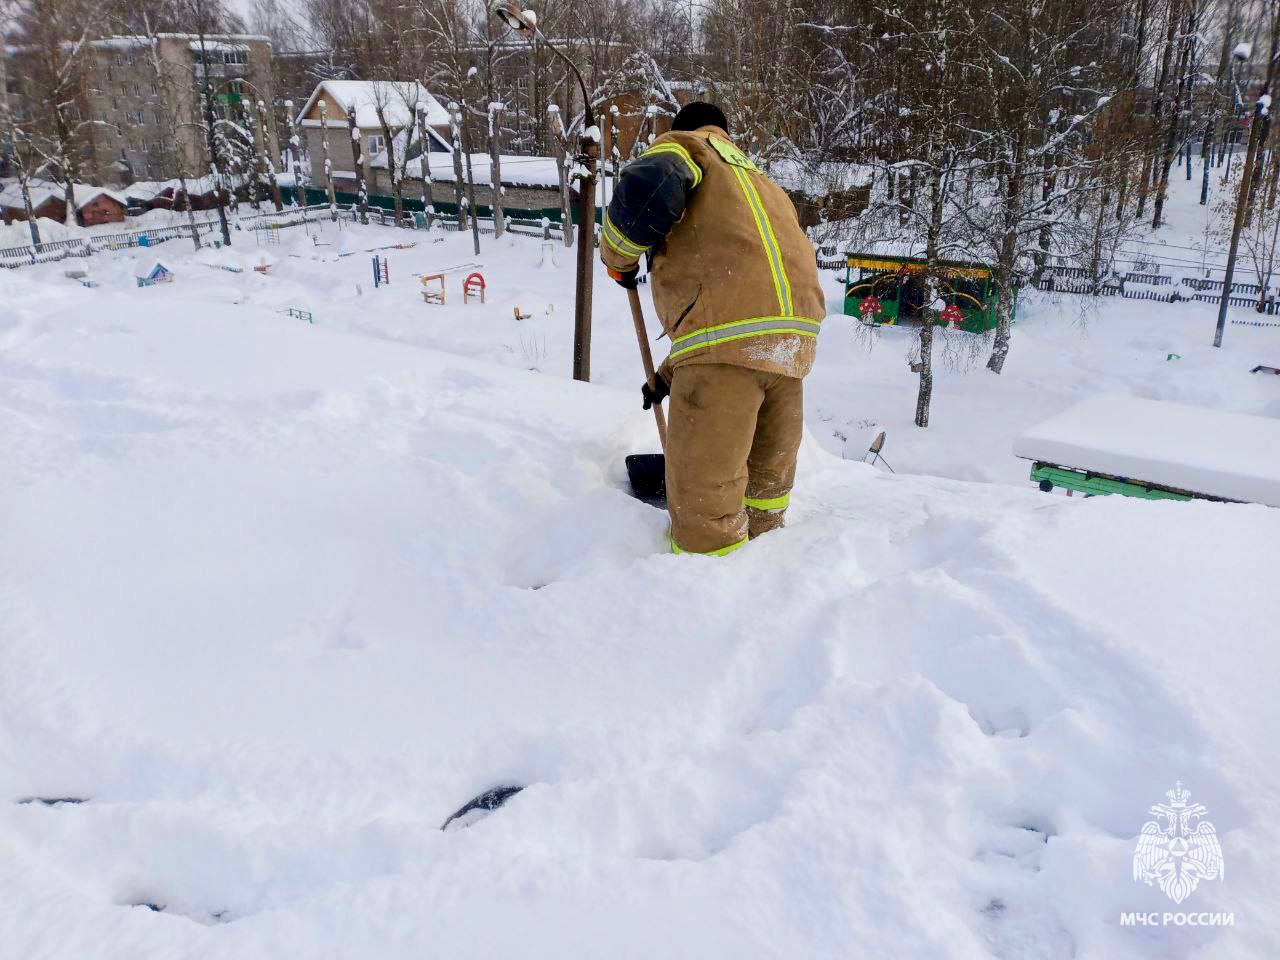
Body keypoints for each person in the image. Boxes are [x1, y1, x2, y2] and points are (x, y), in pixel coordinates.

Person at [601, 102, 826, 556]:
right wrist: (668, 375)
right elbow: (747, 306)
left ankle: (705, 587)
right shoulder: (760, 182)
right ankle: (767, 567)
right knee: (765, 495)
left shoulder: (688, 147)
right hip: (791, 349)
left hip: (727, 354)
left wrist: (618, 257)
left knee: (706, 513)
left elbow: (649, 184)